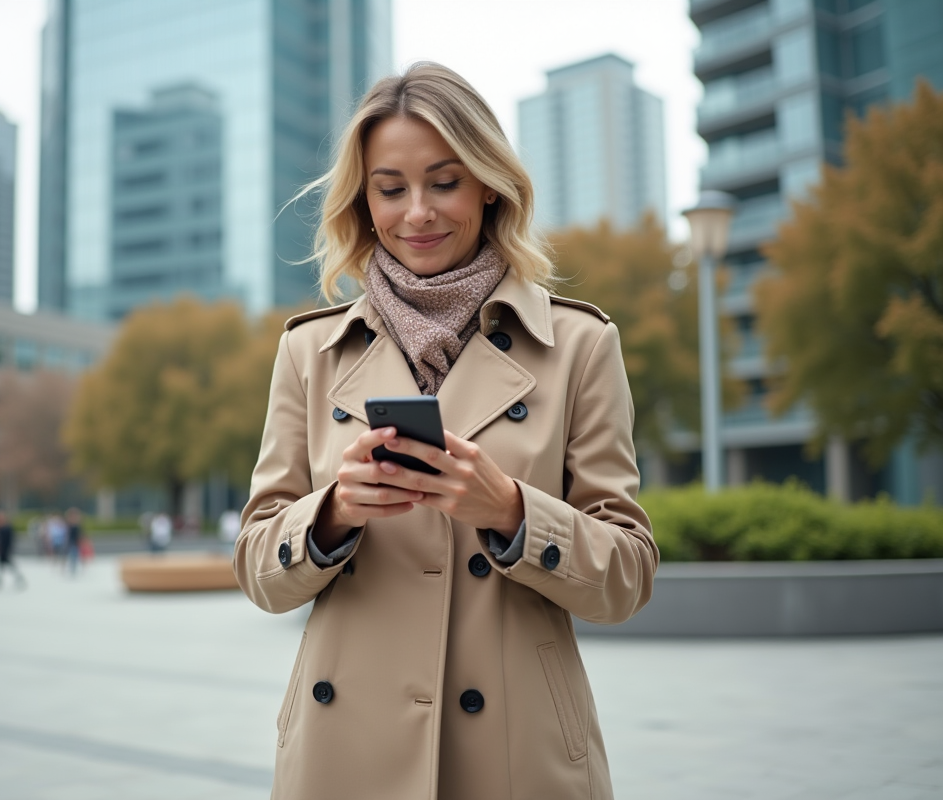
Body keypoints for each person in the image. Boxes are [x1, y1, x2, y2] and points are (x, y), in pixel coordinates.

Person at [233, 63, 658, 800]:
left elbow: (628, 577)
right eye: (390, 188)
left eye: (445, 181)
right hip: (346, 754)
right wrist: (333, 512)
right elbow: (257, 570)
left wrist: (513, 513)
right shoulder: (309, 351)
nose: (418, 212)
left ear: (489, 183)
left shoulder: (580, 344)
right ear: (364, 201)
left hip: (516, 753)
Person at [0, 509, 26, 591]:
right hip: (2, 552)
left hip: (5, 552)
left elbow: (8, 542)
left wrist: (5, 551)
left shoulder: (7, 529)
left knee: (4, 567)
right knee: (3, 567)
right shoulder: (0, 529)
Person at [65, 507, 83, 575]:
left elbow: (80, 533)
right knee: (72, 555)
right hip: (71, 542)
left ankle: (74, 568)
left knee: (75, 555)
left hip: (76, 542)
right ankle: (72, 568)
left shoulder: (77, 524)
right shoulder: (69, 524)